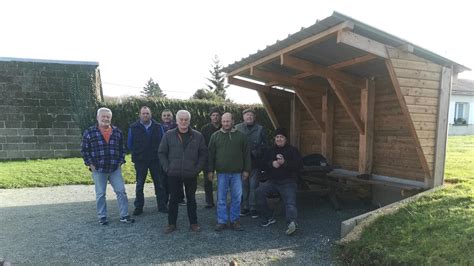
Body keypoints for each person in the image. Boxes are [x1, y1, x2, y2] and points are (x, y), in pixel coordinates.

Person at [81, 107, 135, 225]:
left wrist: (121, 161)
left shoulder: (117, 132)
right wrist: (90, 164)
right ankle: (102, 216)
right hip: (98, 169)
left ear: (110, 118)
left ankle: (124, 215)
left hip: (115, 168)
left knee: (121, 191)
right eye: (103, 116)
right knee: (100, 194)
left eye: (108, 117)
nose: (105, 118)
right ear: (97, 117)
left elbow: (122, 149)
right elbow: (85, 150)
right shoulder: (89, 132)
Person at [158, 110, 207, 233]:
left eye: (186, 120)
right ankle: (171, 224)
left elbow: (203, 154)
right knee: (173, 199)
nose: (184, 122)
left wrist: (197, 170)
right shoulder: (168, 135)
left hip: (191, 173)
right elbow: (161, 152)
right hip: (173, 173)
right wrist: (167, 168)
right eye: (181, 119)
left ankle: (194, 223)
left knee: (191, 199)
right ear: (177, 121)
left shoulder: (198, 136)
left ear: (189, 121)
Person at [208, 113, 251, 231]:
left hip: (237, 173)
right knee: (221, 198)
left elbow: (247, 155)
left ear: (233, 121)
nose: (226, 123)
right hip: (221, 173)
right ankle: (222, 221)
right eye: (224, 121)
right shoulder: (215, 136)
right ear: (221, 122)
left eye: (228, 121)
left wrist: (247, 170)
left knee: (236, 198)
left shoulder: (241, 137)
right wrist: (210, 170)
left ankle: (234, 220)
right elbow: (210, 155)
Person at [256, 128, 302, 236]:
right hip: (272, 182)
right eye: (277, 137)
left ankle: (292, 223)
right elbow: (261, 164)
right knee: (258, 192)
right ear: (274, 139)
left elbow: (299, 165)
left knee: (290, 203)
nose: (279, 139)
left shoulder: (292, 150)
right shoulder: (270, 151)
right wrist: (271, 164)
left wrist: (285, 163)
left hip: (288, 182)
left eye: (281, 137)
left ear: (285, 139)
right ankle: (268, 217)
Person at [127, 106, 168, 215]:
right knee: (140, 185)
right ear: (139, 115)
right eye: (143, 113)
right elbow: (130, 144)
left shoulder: (158, 127)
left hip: (155, 160)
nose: (145, 115)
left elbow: (163, 143)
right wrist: (138, 153)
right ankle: (139, 207)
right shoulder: (133, 127)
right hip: (140, 160)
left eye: (147, 113)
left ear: (151, 114)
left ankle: (162, 206)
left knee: (159, 184)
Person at [235, 108, 267, 218]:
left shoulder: (260, 129)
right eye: (247, 115)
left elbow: (264, 146)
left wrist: (256, 152)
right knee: (243, 186)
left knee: (254, 186)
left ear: (254, 117)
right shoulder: (237, 128)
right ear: (243, 117)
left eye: (251, 115)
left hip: (255, 163)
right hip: (241, 163)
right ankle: (245, 207)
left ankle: (253, 207)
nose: (249, 117)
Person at [160, 109, 186, 206]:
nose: (166, 117)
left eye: (168, 115)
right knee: (165, 179)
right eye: (164, 115)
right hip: (165, 155)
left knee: (178, 178)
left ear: (172, 116)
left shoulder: (178, 126)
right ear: (161, 117)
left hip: (176, 155)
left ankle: (180, 198)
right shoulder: (159, 127)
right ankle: (165, 199)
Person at [200, 107, 221, 209]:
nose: (215, 117)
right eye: (213, 115)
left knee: (222, 180)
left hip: (222, 157)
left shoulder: (224, 127)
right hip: (208, 158)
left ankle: (221, 201)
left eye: (217, 115)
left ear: (220, 117)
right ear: (210, 117)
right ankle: (209, 201)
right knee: (207, 180)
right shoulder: (205, 129)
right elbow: (202, 144)